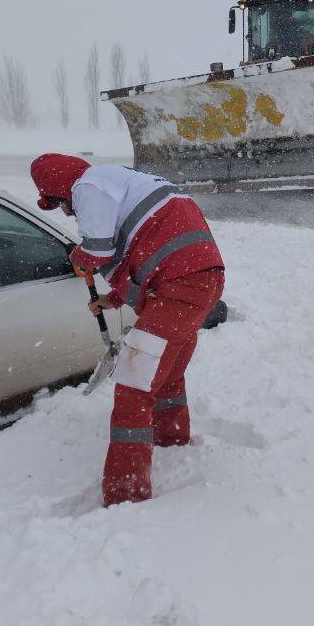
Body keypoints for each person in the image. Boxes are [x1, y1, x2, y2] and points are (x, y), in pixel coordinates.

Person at [29, 154, 224, 506]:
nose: (65, 212)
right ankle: (171, 440)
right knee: (166, 373)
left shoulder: (87, 186)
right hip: (197, 278)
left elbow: (99, 249)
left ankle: (126, 493)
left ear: (61, 189)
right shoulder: (122, 182)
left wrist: (80, 258)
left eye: (58, 204)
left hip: (179, 286)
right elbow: (143, 247)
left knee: (134, 383)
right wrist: (114, 298)